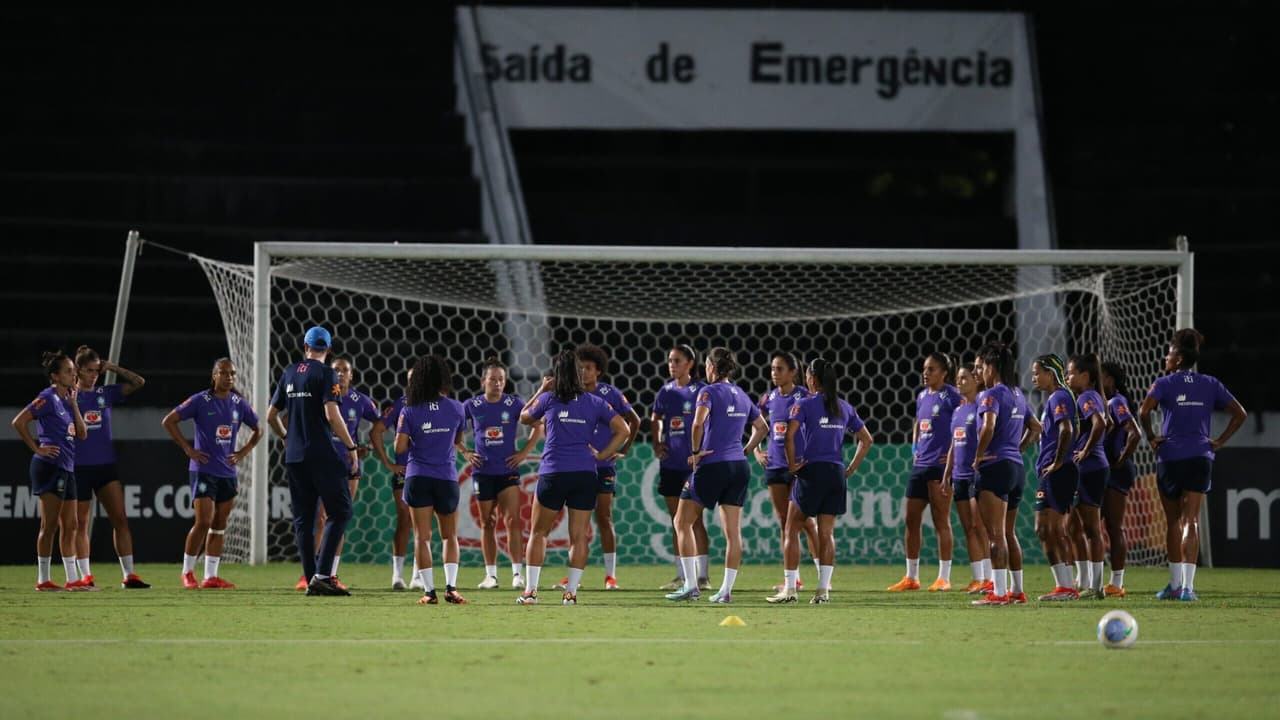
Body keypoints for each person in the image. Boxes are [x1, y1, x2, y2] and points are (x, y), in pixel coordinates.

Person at [1139, 329, 1247, 601]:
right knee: (1191, 520)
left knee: (1173, 522)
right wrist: (1220, 441)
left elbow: (1143, 411)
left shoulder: (1163, 383)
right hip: (1200, 455)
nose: (1165, 357)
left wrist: (1151, 437)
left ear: (1177, 358)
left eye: (1169, 353)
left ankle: (1175, 585)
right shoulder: (1210, 383)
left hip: (1170, 456)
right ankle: (1187, 588)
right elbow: (1240, 413)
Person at [517, 350, 629, 605]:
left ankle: (530, 592)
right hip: (584, 474)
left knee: (538, 533)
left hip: (553, 473)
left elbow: (523, 416)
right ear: (578, 374)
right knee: (578, 536)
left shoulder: (549, 398)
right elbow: (624, 429)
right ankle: (571, 594)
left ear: (556, 375)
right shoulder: (594, 402)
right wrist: (602, 456)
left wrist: (540, 389)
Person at [666, 347, 768, 604]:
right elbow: (762, 427)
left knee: (682, 522)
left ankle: (691, 586)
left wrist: (697, 452)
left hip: (712, 464)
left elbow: (698, 423)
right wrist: (745, 449)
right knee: (733, 533)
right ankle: (725, 591)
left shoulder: (708, 392)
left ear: (712, 367)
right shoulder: (742, 394)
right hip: (738, 467)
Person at [769, 358, 873, 604]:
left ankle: (791, 590)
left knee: (791, 528)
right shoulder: (844, 407)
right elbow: (866, 440)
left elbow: (789, 436)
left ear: (812, 379)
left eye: (807, 375)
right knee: (826, 533)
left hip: (812, 471)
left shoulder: (803, 405)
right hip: (836, 473)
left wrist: (793, 464)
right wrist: (850, 469)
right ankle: (822, 592)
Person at [266, 326, 360, 597]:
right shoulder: (327, 373)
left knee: (304, 520)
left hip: (294, 456)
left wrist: (285, 437)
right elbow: (332, 415)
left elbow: (271, 415)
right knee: (341, 511)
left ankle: (311, 580)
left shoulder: (289, 373)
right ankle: (322, 574)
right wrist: (351, 446)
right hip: (321, 453)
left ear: (304, 346)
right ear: (328, 350)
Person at [162, 358, 263, 589]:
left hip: (228, 472)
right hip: (204, 470)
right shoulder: (200, 400)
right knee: (203, 521)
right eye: (224, 373)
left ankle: (210, 576)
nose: (229, 377)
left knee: (219, 523)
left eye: (232, 374)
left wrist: (243, 452)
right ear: (214, 375)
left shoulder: (239, 403)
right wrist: (188, 448)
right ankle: (187, 572)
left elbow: (259, 428)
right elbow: (169, 421)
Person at [551, 344, 640, 591]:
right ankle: (572, 577)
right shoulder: (570, 394)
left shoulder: (608, 393)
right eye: (580, 369)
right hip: (578, 465)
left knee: (603, 517)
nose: (583, 373)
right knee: (578, 524)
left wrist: (622, 450)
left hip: (602, 466)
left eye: (588, 368)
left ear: (598, 371)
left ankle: (610, 577)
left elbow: (634, 420)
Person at [292, 357, 384, 592]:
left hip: (349, 466)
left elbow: (380, 423)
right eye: (336, 370)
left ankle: (330, 573)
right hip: (323, 463)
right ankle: (312, 573)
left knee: (338, 518)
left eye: (345, 370)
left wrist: (368, 448)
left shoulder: (359, 400)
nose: (341, 374)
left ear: (351, 375)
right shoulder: (320, 397)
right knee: (321, 517)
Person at [70, 346, 149, 588]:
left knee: (120, 519)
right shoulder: (68, 396)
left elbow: (139, 382)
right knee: (80, 523)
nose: (94, 375)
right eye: (89, 370)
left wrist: (113, 367)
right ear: (79, 370)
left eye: (97, 370)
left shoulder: (105, 393)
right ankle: (86, 575)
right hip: (78, 467)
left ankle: (129, 575)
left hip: (105, 466)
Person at [395, 354, 469, 605]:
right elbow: (458, 440)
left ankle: (429, 593)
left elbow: (400, 448)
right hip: (446, 478)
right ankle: (452, 588)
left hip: (418, 477)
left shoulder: (409, 410)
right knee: (449, 536)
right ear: (443, 379)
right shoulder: (458, 408)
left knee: (422, 537)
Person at [12, 350, 89, 591]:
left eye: (73, 370)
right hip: (50, 466)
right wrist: (37, 447)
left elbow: (83, 433)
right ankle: (43, 580)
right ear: (55, 376)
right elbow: (19, 421)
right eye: (68, 371)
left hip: (67, 467)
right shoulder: (46, 397)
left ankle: (72, 580)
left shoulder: (65, 401)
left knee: (72, 524)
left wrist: (75, 403)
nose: (73, 374)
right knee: (50, 525)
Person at [464, 357, 542, 590]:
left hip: (507, 470)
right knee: (488, 522)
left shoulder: (514, 403)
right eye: (493, 379)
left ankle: (517, 574)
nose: (497, 383)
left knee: (512, 520)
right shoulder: (471, 405)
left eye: (501, 380)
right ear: (483, 381)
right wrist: (464, 451)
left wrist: (524, 452)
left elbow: (538, 426)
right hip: (482, 471)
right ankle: (491, 576)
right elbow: (454, 430)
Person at [888, 352, 961, 592]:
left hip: (941, 466)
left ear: (944, 373)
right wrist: (915, 446)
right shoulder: (922, 396)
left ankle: (944, 578)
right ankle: (911, 577)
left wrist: (953, 452)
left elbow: (962, 424)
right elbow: (919, 423)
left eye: (931, 369)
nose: (925, 373)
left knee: (941, 521)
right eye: (924, 369)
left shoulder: (952, 396)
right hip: (921, 465)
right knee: (911, 519)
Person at [753, 351, 821, 593]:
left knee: (805, 522)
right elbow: (757, 425)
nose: (774, 373)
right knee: (785, 523)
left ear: (793, 372)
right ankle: (794, 578)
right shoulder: (768, 399)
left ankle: (824, 576)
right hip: (775, 466)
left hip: (799, 466)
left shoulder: (804, 396)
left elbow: (817, 426)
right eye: (772, 368)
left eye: (780, 368)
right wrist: (757, 451)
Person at [969, 343, 1030, 606]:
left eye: (982, 368)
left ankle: (999, 593)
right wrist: (1016, 449)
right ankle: (1017, 591)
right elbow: (1035, 427)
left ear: (992, 367)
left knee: (995, 534)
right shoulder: (1018, 394)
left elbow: (988, 426)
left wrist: (977, 456)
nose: (980, 373)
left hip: (995, 467)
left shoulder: (990, 395)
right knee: (1008, 533)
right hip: (1016, 467)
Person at [653, 344, 710, 591]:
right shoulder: (665, 392)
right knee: (676, 521)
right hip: (671, 465)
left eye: (677, 361)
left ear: (690, 364)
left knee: (696, 521)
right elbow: (655, 418)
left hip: (695, 466)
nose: (672, 365)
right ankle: (682, 575)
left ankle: (703, 576)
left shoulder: (701, 391)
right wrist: (657, 442)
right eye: (670, 360)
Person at [1030, 353, 1080, 602]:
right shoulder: (1054, 398)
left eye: (1037, 372)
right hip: (1052, 470)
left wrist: (1058, 461)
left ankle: (1068, 587)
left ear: (1051, 373)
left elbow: (1066, 429)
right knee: (1045, 529)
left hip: (1059, 470)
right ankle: (1064, 586)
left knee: (1052, 529)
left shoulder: (1059, 396)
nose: (1033, 377)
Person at [942, 360, 991, 594]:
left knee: (981, 527)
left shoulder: (982, 406)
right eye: (958, 378)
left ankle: (990, 578)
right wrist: (946, 475)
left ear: (976, 381)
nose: (959, 382)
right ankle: (977, 577)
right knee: (968, 528)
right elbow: (954, 443)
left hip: (976, 474)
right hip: (959, 476)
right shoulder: (959, 410)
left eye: (964, 378)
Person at [1066, 353, 1112, 599]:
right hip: (1090, 466)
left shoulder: (1086, 397)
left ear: (1086, 376)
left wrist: (1086, 449)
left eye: (1072, 373)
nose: (1068, 377)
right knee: (1074, 526)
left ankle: (1096, 585)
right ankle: (1084, 580)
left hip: (1090, 467)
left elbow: (1101, 423)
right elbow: (1110, 422)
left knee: (1092, 528)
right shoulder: (1093, 397)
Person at [1099, 360, 1141, 597]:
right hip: (1105, 468)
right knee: (1090, 525)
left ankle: (1116, 583)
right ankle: (1089, 579)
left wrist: (1120, 460)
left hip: (1115, 470)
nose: (1098, 380)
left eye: (1102, 376)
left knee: (1113, 527)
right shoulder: (1102, 402)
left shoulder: (1116, 402)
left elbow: (1134, 434)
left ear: (1111, 380)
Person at [379, 368, 414, 590]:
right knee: (404, 519)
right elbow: (377, 430)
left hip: (428, 471)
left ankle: (419, 576)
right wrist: (388, 463)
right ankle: (397, 575)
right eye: (412, 379)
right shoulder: (400, 404)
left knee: (422, 526)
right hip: (404, 471)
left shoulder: (437, 404)